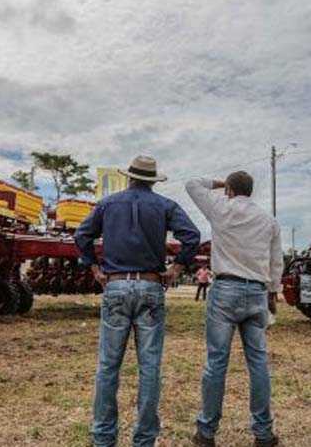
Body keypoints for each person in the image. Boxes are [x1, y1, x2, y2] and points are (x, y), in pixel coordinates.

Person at [75, 155, 200, 447]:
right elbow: (191, 236)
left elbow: (82, 235)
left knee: (108, 365)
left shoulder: (107, 204)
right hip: (150, 286)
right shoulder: (165, 205)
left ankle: (104, 438)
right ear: (152, 180)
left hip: (116, 286)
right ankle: (144, 439)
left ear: (129, 177)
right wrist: (176, 268)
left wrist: (94, 268)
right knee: (150, 366)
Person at [185, 171, 284, 447]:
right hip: (257, 292)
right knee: (259, 363)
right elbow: (276, 262)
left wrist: (217, 183)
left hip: (225, 290)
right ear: (250, 191)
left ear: (229, 189)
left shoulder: (220, 208)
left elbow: (192, 183)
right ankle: (263, 433)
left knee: (216, 362)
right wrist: (272, 293)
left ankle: (207, 432)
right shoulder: (269, 220)